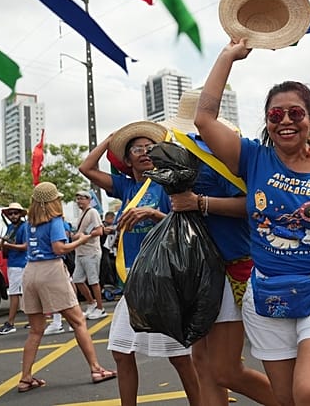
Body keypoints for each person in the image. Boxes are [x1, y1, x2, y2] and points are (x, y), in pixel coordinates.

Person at [194, 38, 310, 406]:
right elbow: (204, 118)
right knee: (288, 401)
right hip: (267, 296)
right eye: (275, 115)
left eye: (295, 114)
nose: (284, 121)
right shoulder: (253, 158)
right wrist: (228, 56)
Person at [161, 89, 279, 406]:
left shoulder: (219, 154)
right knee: (203, 366)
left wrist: (201, 203)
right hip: (194, 274)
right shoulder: (171, 158)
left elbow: (253, 205)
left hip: (228, 269)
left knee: (225, 370)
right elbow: (171, 212)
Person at [79, 121, 202, 406]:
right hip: (134, 279)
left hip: (164, 278)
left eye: (150, 147)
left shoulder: (167, 183)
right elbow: (86, 168)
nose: (145, 152)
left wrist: (153, 214)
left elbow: (186, 222)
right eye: (136, 149)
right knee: (121, 352)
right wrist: (111, 139)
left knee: (179, 356)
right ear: (127, 158)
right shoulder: (125, 186)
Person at [18, 181, 116, 392]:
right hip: (51, 271)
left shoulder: (29, 223)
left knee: (36, 330)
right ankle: (96, 368)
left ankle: (25, 377)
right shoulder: (54, 221)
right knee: (78, 321)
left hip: (30, 271)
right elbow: (59, 248)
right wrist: (84, 239)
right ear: (53, 201)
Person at [71, 190, 107, 320]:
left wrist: (84, 236)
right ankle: (92, 302)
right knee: (77, 280)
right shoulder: (81, 215)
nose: (79, 201)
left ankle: (100, 308)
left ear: (89, 200)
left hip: (91, 251)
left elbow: (99, 230)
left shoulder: (92, 212)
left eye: (82, 198)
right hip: (80, 252)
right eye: (78, 198)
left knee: (93, 281)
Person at [0, 203, 29, 335]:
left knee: (15, 294)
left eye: (16, 213)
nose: (13, 216)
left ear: (20, 214)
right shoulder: (10, 227)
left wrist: (9, 245)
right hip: (13, 263)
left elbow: (26, 246)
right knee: (22, 294)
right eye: (11, 213)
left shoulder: (24, 227)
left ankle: (10, 323)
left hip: (20, 264)